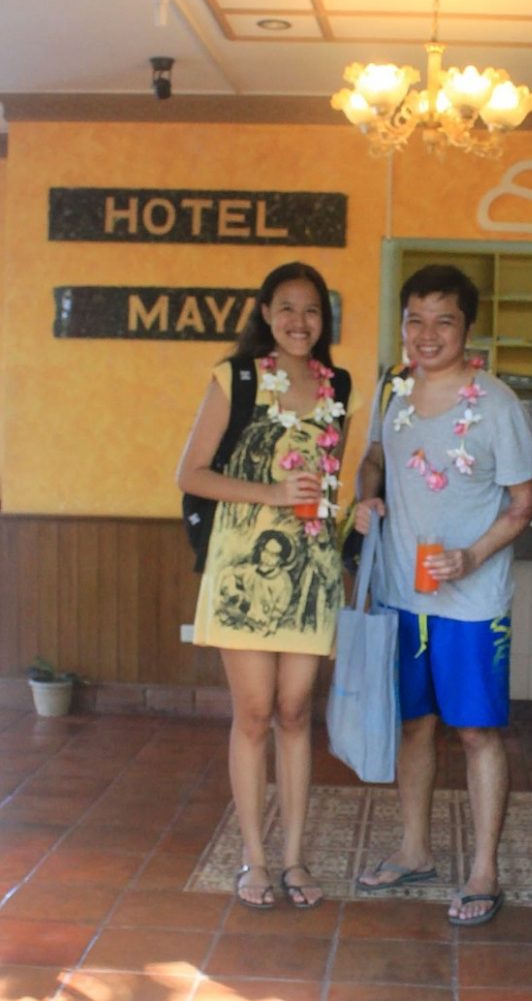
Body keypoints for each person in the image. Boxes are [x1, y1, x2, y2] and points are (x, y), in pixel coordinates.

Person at [354, 263, 532, 926]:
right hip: (401, 594)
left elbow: (526, 501)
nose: (426, 334)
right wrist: (367, 494)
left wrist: (472, 556)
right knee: (413, 725)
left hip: (472, 602)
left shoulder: (496, 404)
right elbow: (374, 455)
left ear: (467, 328)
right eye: (415, 320)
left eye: (443, 320)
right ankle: (415, 851)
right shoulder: (392, 388)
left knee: (476, 731)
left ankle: (484, 870)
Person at [177, 261, 358, 911]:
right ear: (264, 312)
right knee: (254, 713)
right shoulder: (238, 377)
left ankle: (295, 857)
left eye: (312, 310)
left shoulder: (339, 383)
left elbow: (331, 480)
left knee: (296, 711)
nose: (299, 322)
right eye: (287, 308)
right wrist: (272, 494)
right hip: (241, 569)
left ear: (323, 318)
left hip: (309, 568)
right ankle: (255, 858)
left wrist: (344, 538)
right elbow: (191, 473)